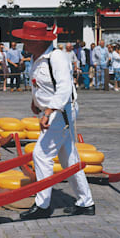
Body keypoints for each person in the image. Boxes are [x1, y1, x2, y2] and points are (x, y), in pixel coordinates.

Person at [11, 21, 94, 220]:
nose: (23, 42)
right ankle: (86, 202)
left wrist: (48, 111)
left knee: (41, 154)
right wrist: (35, 102)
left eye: (27, 39)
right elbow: (39, 84)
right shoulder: (36, 57)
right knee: (69, 159)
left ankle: (43, 205)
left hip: (61, 111)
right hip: (52, 111)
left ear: (39, 41)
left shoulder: (56, 57)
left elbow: (64, 88)